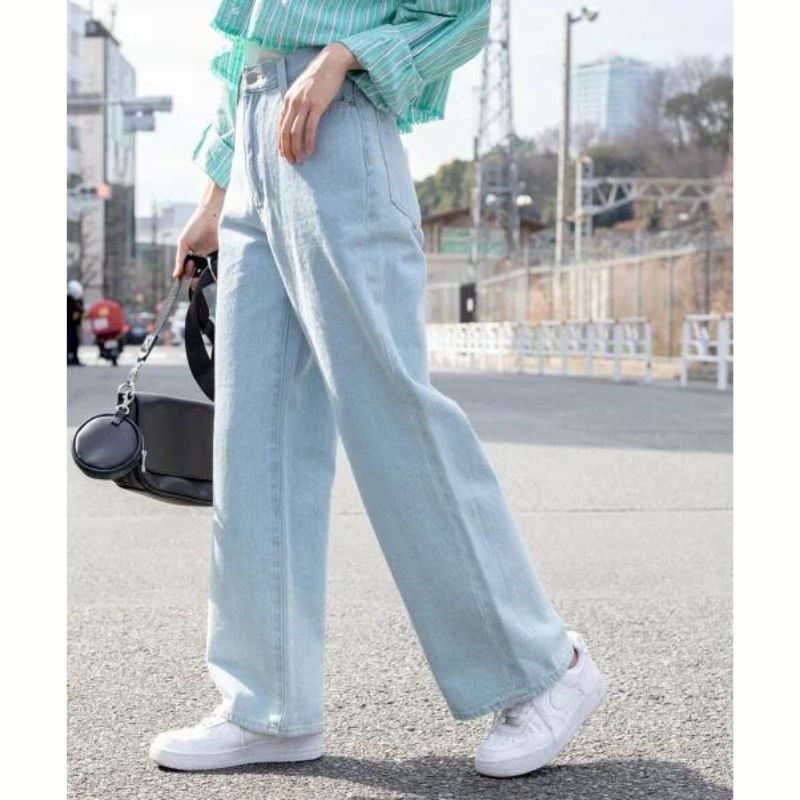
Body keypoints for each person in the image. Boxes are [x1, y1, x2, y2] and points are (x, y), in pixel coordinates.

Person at [149, 1, 606, 779]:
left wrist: (343, 57)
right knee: (253, 439)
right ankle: (268, 707)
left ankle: (543, 669)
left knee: (390, 415)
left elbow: (462, 16)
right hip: (254, 142)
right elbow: (245, 43)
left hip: (339, 126)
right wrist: (215, 193)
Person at [67, 280, 84, 366]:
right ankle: (69, 358)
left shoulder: (78, 301)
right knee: (69, 341)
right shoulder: (68, 301)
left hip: (74, 325)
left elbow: (80, 312)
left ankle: (74, 358)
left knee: (75, 342)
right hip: (68, 325)